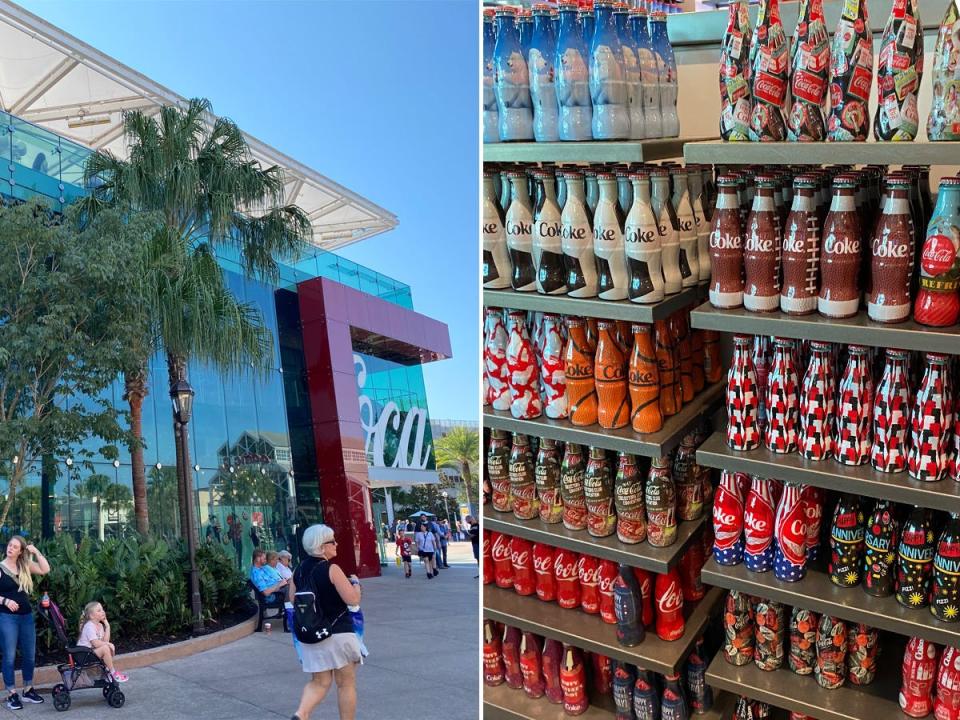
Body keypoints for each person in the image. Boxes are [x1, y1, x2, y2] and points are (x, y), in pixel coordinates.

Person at [290, 524, 362, 720]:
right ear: (321, 546)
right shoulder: (332, 569)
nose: (336, 544)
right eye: (332, 541)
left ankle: (301, 713)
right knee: (345, 683)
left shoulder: (298, 570)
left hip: (312, 633)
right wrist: (355, 584)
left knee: (319, 682)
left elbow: (292, 599)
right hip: (339, 632)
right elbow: (352, 600)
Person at [0, 536, 49, 709]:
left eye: (15, 546)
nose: (10, 548)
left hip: (26, 617)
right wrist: (5, 601)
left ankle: (28, 689)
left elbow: (45, 569)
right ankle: (12, 693)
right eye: (9, 545)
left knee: (29, 655)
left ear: (21, 551)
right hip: (7, 618)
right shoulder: (0, 568)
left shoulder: (24, 566)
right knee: (9, 656)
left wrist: (36, 552)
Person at [77, 602, 128, 683]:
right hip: (83, 654)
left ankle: (107, 672)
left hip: (91, 652)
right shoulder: (89, 626)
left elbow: (105, 641)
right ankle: (112, 672)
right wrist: (108, 644)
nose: (103, 611)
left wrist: (107, 626)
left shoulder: (100, 626)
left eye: (102, 609)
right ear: (91, 616)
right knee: (106, 647)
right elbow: (96, 643)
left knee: (108, 647)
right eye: (99, 610)